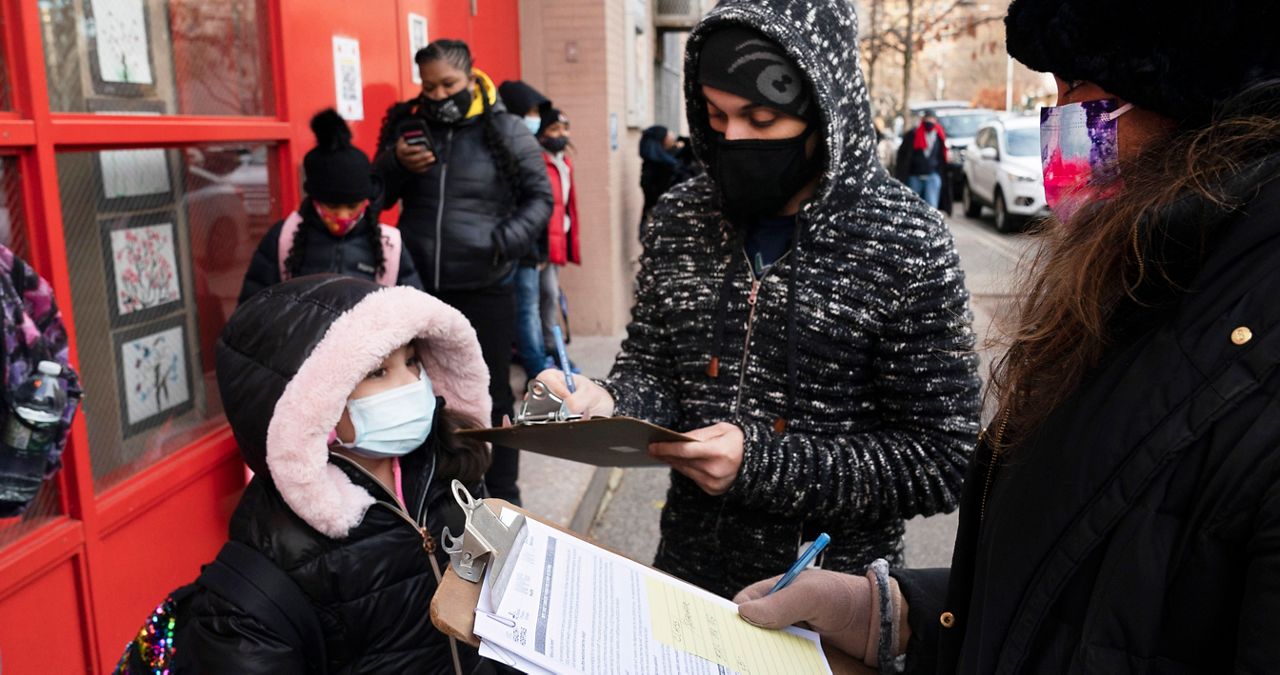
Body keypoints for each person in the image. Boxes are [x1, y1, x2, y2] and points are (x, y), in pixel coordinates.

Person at [732, 1, 1280, 672]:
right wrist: (901, 614)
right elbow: (1076, 574)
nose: (1059, 126)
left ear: (1196, 97)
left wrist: (757, 461)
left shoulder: (1232, 338)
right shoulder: (1142, 284)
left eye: (1079, 89)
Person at [537, 0, 981, 600]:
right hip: (688, 580)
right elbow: (653, 368)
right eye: (717, 117)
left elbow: (941, 459)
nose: (734, 139)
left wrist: (764, 465)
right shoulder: (680, 216)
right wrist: (608, 399)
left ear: (824, 113)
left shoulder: (906, 241)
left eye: (762, 118)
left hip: (831, 602)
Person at [183, 275, 493, 673]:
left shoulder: (451, 472)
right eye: (378, 372)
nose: (412, 383)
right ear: (316, 408)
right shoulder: (262, 579)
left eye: (413, 360)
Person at [375, 40, 553, 505]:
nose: (437, 95)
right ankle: (438, 493)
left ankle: (502, 496)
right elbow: (375, 196)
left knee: (490, 396)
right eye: (428, 86)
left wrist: (502, 243)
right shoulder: (408, 127)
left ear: (471, 78)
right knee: (421, 394)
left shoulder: (507, 128)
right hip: (419, 289)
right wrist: (395, 162)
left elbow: (541, 198)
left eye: (448, 84)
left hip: (486, 286)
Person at [238, 109, 421, 304]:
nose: (343, 216)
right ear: (315, 200)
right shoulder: (285, 238)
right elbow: (253, 304)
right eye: (332, 206)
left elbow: (416, 309)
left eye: (352, 206)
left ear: (366, 201)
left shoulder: (389, 246)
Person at [533, 107, 581, 368]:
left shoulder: (564, 162)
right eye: (554, 129)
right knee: (547, 294)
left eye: (564, 128)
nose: (561, 134)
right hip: (542, 243)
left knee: (549, 294)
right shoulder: (539, 161)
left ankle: (549, 344)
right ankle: (547, 347)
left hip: (557, 239)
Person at [894, 110, 951, 211]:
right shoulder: (912, 135)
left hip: (932, 176)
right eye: (927, 119)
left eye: (932, 119)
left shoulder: (939, 136)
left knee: (932, 206)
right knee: (913, 206)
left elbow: (942, 157)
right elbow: (903, 155)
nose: (929, 122)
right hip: (915, 176)